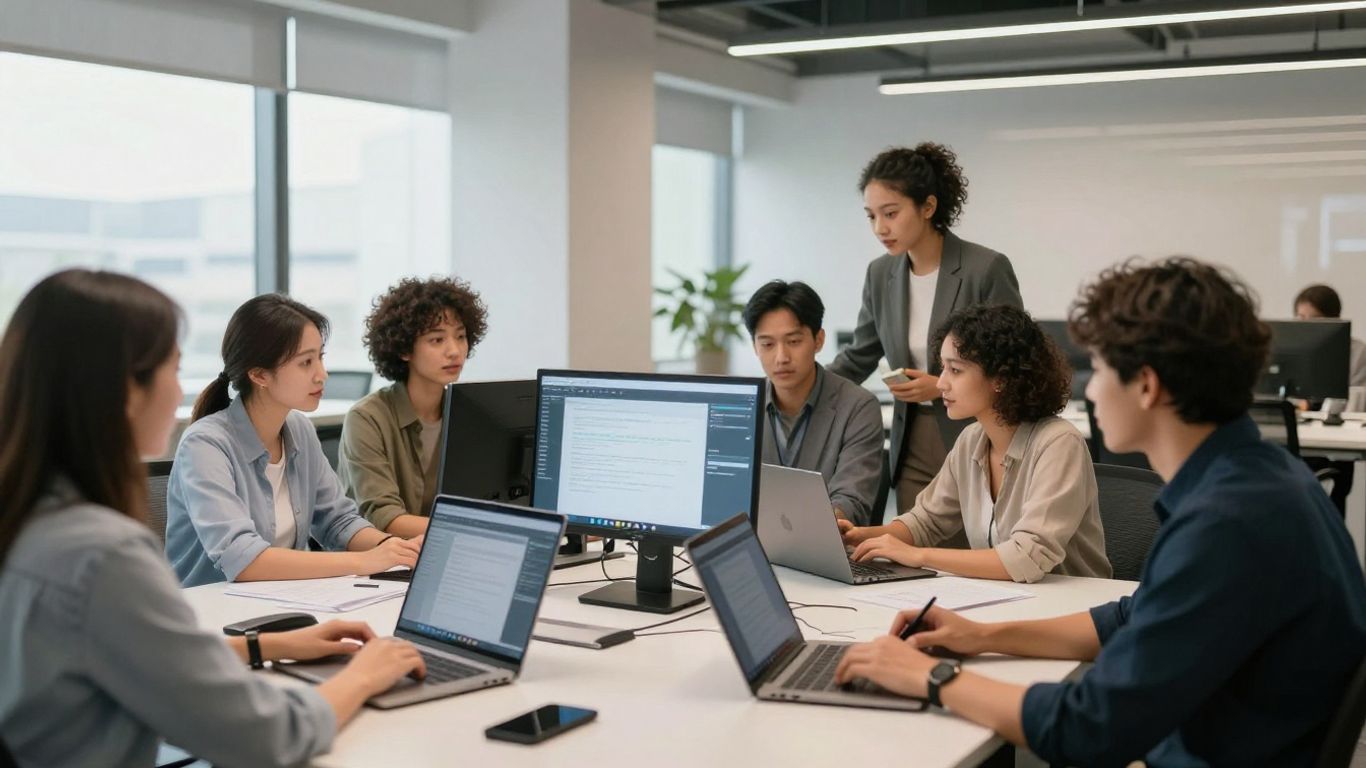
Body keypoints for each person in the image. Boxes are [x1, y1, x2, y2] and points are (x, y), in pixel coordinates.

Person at [834, 258, 1366, 766]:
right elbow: (1129, 618)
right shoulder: (1257, 479)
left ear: (1147, 385)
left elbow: (1090, 726)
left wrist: (932, 678)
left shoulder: (1225, 524)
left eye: (1102, 368)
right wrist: (980, 636)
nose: (1090, 388)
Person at [0, 270, 426, 767]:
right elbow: (265, 736)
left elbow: (148, 656)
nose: (180, 389)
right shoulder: (103, 556)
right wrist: (365, 676)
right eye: (173, 368)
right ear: (126, 390)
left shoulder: (35, 520)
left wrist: (271, 645)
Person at [838, 304, 1109, 582]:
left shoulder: (1059, 443)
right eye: (943, 368)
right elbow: (926, 521)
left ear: (1000, 378)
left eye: (955, 370)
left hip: (1074, 601)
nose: (941, 384)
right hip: (1010, 598)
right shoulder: (971, 440)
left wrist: (918, 555)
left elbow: (1027, 557)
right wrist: (860, 536)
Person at [166, 295, 421, 587]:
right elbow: (242, 560)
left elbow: (339, 521)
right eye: (306, 362)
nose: (322, 374)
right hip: (209, 607)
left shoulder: (299, 429)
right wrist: (364, 561)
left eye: (320, 357)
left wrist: (394, 549)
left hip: (283, 600)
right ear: (259, 375)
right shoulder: (205, 445)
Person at [829, 143, 1023, 521]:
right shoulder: (880, 274)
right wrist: (800, 386)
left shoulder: (985, 268)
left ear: (928, 207)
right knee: (914, 547)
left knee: (976, 549)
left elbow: (1015, 363)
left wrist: (941, 385)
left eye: (891, 213)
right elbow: (858, 356)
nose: (880, 228)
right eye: (871, 216)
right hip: (912, 441)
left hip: (980, 434)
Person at [338, 277, 488, 537]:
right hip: (378, 555)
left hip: (444, 549)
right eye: (437, 340)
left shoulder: (469, 415)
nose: (454, 351)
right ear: (404, 349)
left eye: (461, 336)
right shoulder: (367, 418)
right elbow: (385, 518)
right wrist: (485, 529)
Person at [743, 280, 884, 526]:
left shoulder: (858, 407)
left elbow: (850, 499)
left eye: (794, 342)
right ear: (755, 346)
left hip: (826, 543)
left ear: (818, 340)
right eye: (767, 344)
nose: (781, 357)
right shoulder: (744, 405)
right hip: (753, 541)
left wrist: (817, 528)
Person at [1294, 283, 1366, 387]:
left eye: (1316, 319)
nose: (1307, 326)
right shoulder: (1291, 349)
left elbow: (1357, 393)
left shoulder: (1358, 352)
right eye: (1302, 318)